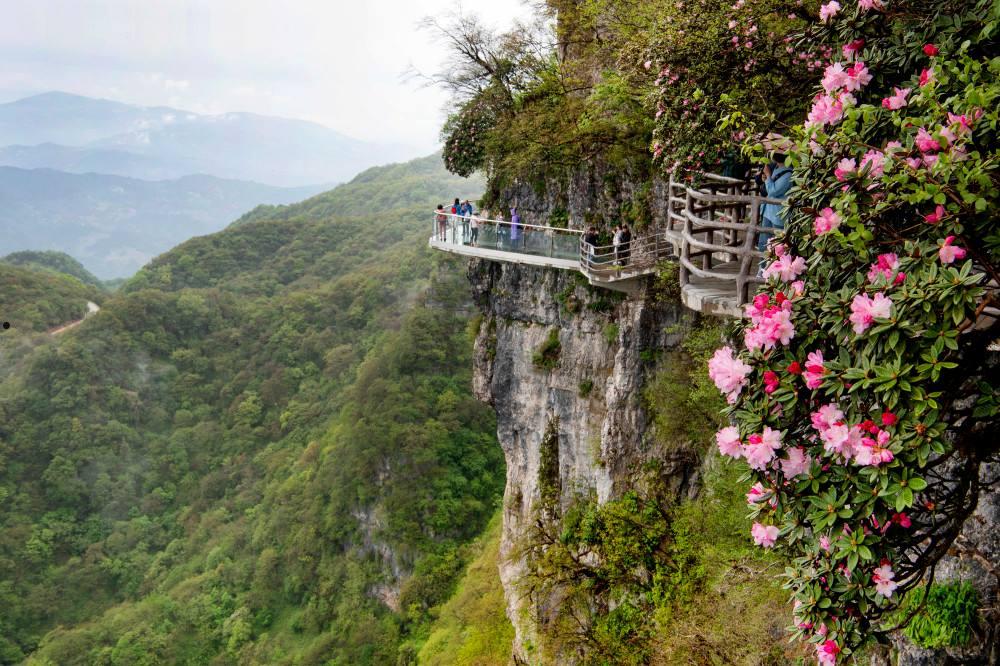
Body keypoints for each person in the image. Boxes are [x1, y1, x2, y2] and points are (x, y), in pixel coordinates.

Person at [757, 154, 793, 252]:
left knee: (778, 246)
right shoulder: (775, 167)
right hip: (768, 211)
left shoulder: (788, 173)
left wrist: (768, 175)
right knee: (763, 244)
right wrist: (765, 178)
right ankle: (763, 267)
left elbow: (774, 191)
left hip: (778, 215)